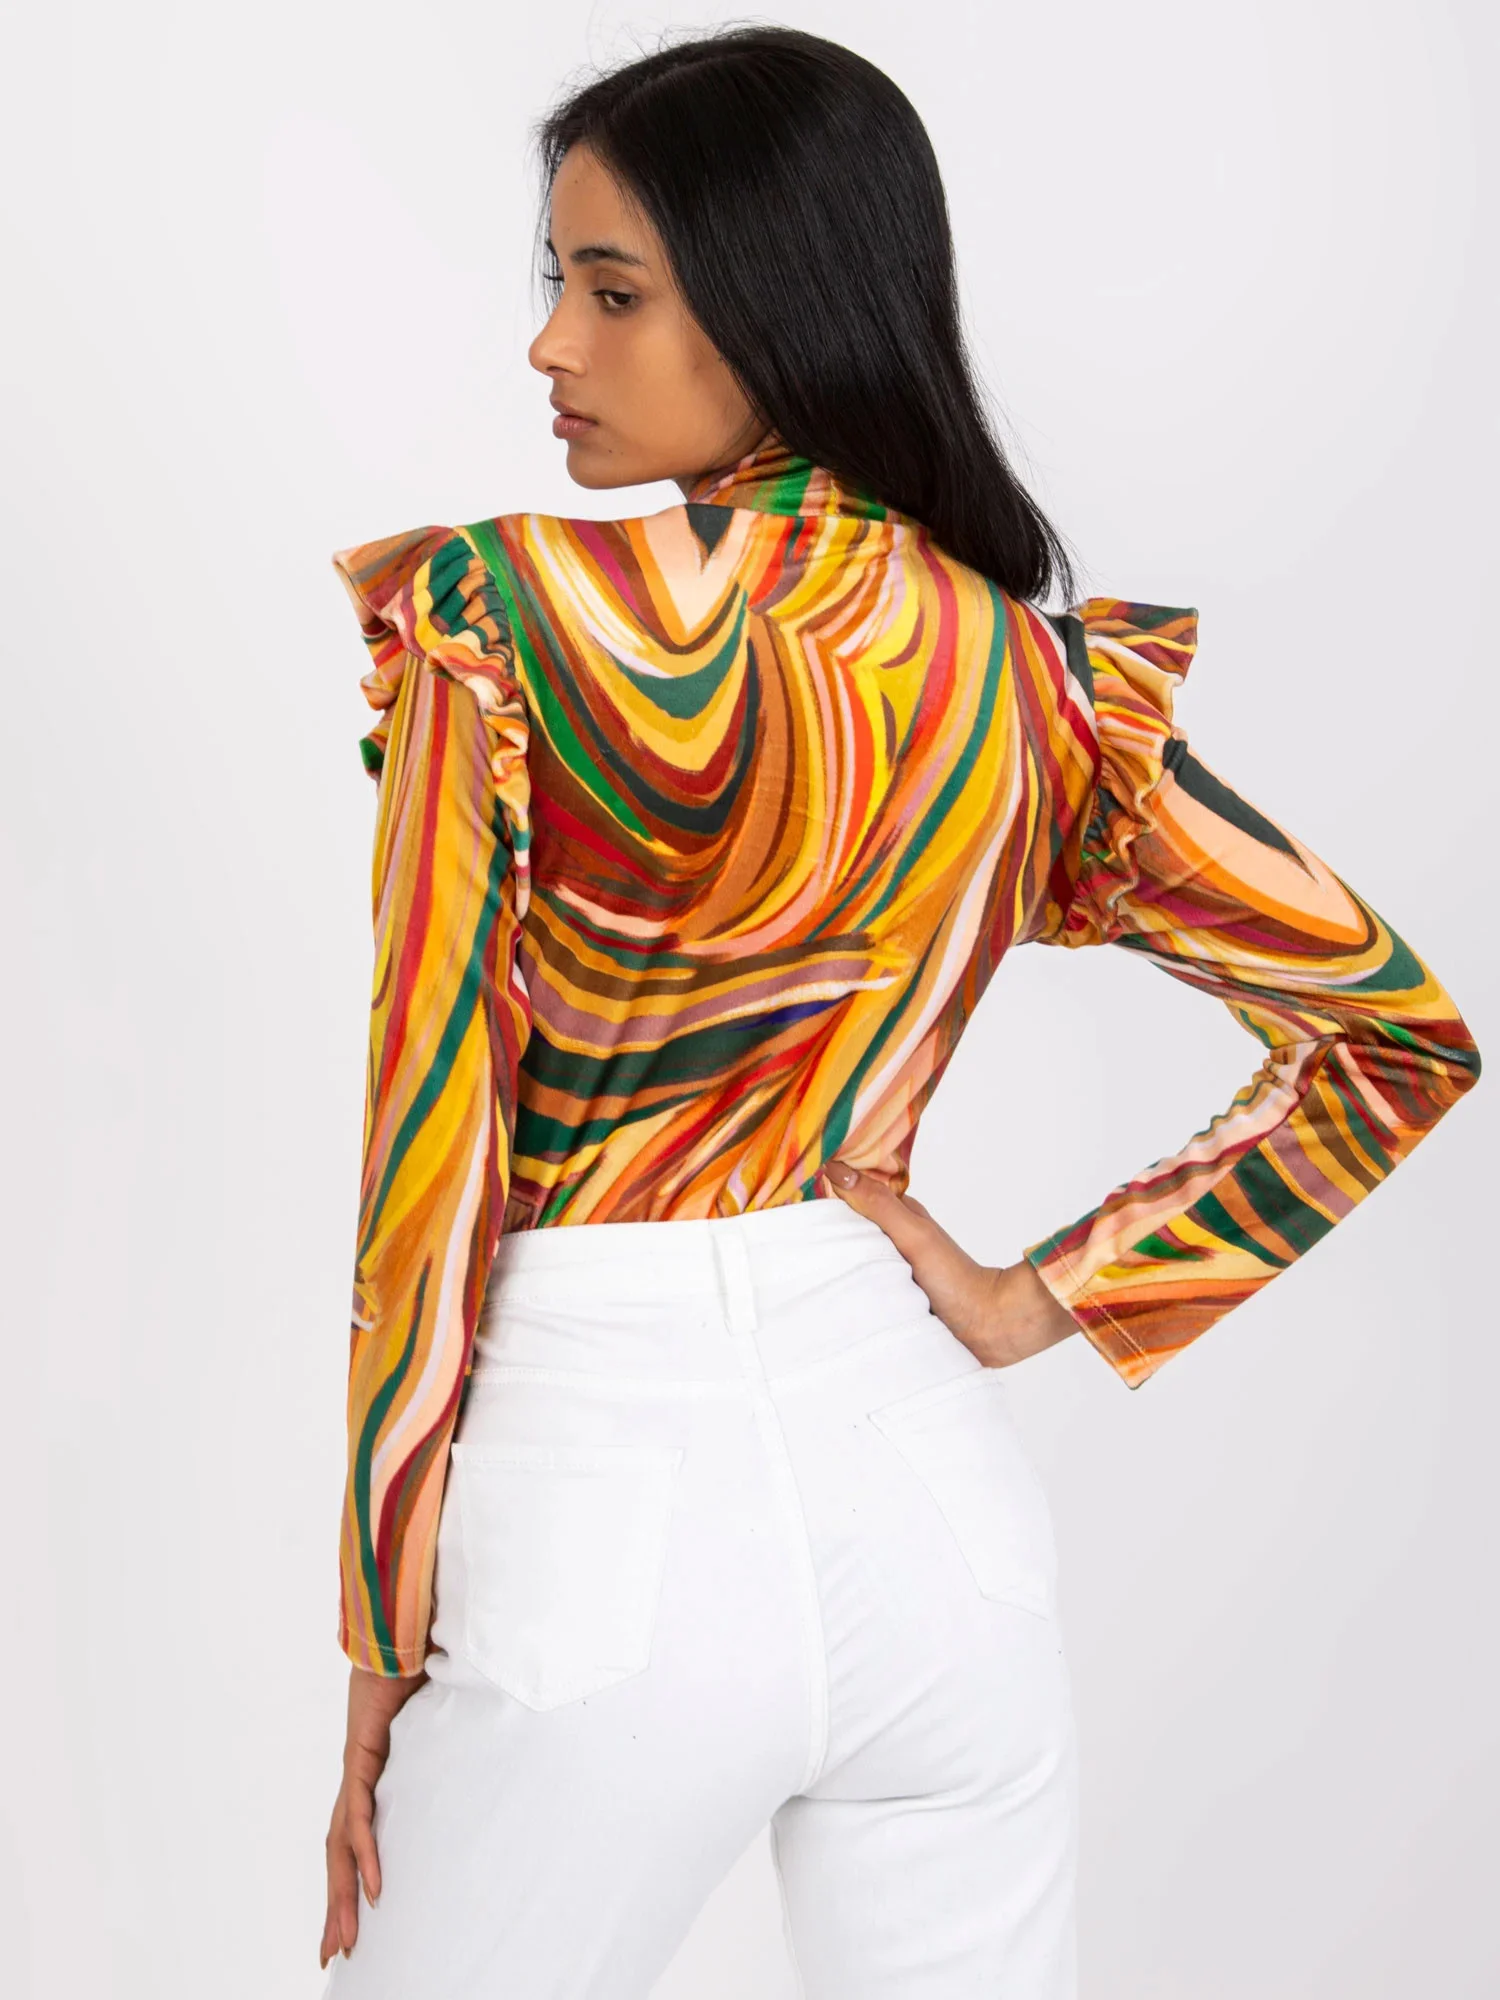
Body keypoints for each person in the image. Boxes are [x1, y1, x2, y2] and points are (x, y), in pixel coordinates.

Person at [317, 25, 1481, 1997]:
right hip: (933, 1518)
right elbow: (1394, 1035)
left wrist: (378, 1631)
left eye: (613, 292)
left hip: (601, 1511)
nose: (550, 344)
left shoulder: (505, 628)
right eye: (557, 282)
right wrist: (1042, 1300)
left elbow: (427, 1152)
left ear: (775, 302)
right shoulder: (1032, 682)